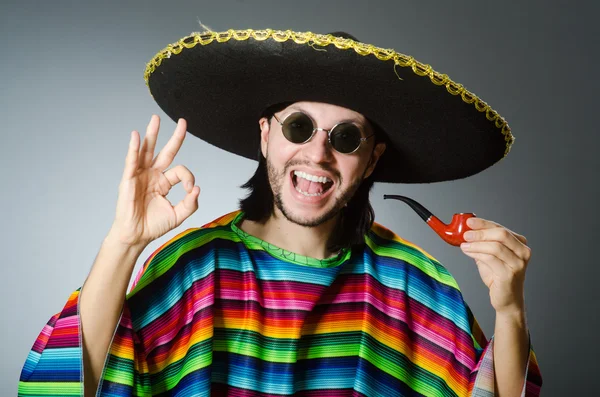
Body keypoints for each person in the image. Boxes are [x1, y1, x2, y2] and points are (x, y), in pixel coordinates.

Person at [18, 29, 542, 396]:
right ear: (266, 135)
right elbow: (67, 386)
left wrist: (511, 312)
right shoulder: (195, 268)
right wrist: (123, 244)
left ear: (372, 158)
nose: (318, 154)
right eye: (298, 128)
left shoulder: (414, 284)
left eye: (346, 137)